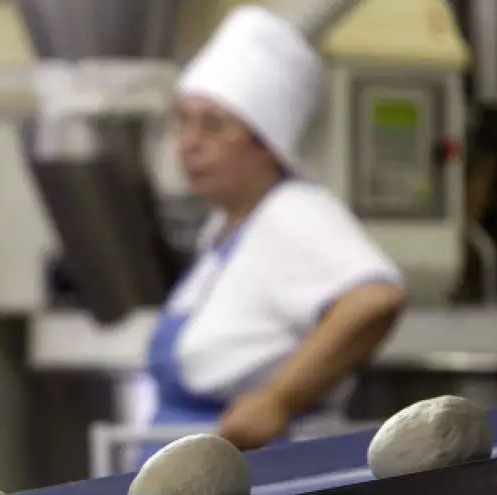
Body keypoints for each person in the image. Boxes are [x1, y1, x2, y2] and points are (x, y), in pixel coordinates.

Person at [139, 5, 407, 462]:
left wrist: (278, 400)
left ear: (267, 143)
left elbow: (376, 297)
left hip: (261, 474)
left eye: (213, 125)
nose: (188, 142)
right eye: (184, 120)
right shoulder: (226, 227)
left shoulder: (294, 211)